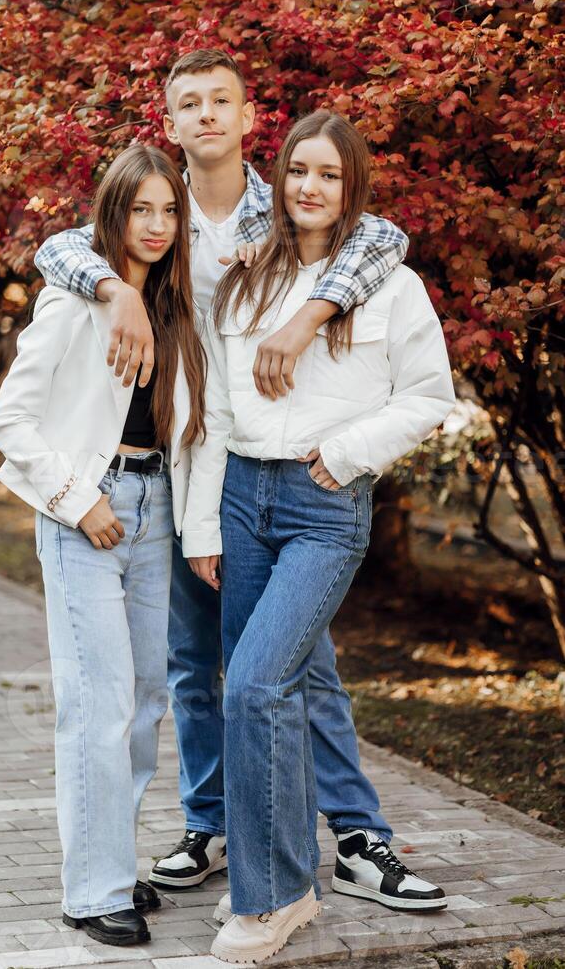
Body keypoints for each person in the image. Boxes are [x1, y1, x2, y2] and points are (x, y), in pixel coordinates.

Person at [34, 50, 443, 911]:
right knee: (192, 657)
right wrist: (116, 291)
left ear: (249, 114)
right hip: (183, 462)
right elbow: (62, 245)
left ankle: (357, 832)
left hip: (271, 463)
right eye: (190, 103)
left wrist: (306, 316)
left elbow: (383, 236)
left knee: (298, 660)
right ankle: (211, 822)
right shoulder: (160, 206)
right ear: (171, 119)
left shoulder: (281, 201)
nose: (208, 115)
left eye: (223, 100)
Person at [182, 109, 457, 964]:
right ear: (281, 175)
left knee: (256, 686)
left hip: (323, 505)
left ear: (353, 188)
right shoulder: (242, 282)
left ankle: (264, 901)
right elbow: (218, 412)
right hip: (240, 501)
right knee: (279, 690)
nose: (310, 187)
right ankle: (292, 883)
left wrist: (345, 453)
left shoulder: (388, 283)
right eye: (299, 169)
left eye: (330, 175)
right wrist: (201, 525)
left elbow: (428, 394)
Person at [0, 145, 206, 948]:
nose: (155, 226)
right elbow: (9, 422)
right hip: (89, 513)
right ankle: (93, 889)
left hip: (156, 510)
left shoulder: (177, 304)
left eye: (168, 211)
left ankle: (110, 858)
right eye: (139, 209)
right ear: (112, 214)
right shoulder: (72, 301)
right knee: (98, 703)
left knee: (147, 701)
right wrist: (80, 504)